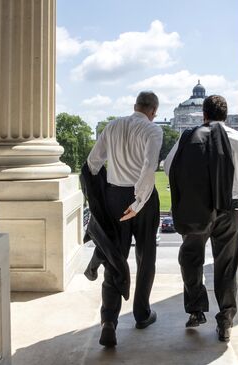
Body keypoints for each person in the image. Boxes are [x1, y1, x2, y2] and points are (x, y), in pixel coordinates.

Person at [164, 95, 238, 342]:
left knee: (190, 260)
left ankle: (197, 310)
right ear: (226, 116)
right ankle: (226, 318)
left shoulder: (189, 138)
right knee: (226, 266)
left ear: (204, 115)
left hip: (196, 208)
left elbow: (168, 166)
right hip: (232, 210)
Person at [86, 91, 163, 347]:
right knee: (146, 255)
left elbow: (93, 163)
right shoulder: (153, 131)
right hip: (141, 198)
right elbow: (148, 169)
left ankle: (109, 320)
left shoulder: (113, 125)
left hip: (114, 196)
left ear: (135, 106)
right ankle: (141, 314)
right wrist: (138, 203)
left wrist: (102, 193)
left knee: (114, 257)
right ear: (153, 111)